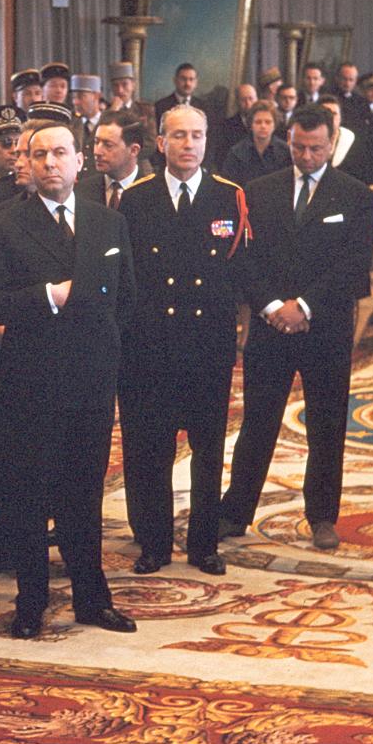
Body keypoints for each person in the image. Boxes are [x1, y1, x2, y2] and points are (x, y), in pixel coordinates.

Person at [0, 119, 137, 639]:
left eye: (60, 153)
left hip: (91, 382)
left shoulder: (107, 222)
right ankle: (30, 603)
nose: (50, 164)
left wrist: (106, 356)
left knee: (84, 496)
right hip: (29, 383)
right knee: (26, 498)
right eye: (39, 155)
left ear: (79, 160)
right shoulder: (1, 224)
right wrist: (47, 295)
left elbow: (127, 298)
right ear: (25, 162)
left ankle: (93, 599)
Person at [218, 106, 373, 551]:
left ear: (334, 140)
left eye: (317, 148)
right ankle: (235, 512)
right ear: (290, 139)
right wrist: (272, 306)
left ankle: (323, 516)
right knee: (258, 423)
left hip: (325, 328)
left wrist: (304, 306)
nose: (307, 156)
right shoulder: (259, 191)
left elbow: (354, 269)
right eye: (300, 147)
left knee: (326, 426)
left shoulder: (356, 196)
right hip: (270, 327)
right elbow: (245, 259)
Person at [118, 105, 246, 576]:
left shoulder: (229, 198)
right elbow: (128, 278)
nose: (188, 144)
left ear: (207, 140)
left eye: (196, 135)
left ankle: (203, 543)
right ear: (160, 142)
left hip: (207, 346)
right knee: (151, 449)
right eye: (178, 136)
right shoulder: (136, 200)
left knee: (209, 450)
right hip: (151, 347)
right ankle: (154, 543)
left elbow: (238, 270)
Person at [77, 111, 148, 208]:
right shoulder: (81, 191)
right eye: (96, 142)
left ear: (133, 150)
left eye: (108, 145)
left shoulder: (153, 193)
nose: (97, 152)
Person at [220, 99, 290, 186]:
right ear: (251, 125)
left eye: (268, 122)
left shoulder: (285, 151)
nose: (263, 126)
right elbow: (228, 184)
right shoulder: (237, 152)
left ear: (274, 125)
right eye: (258, 122)